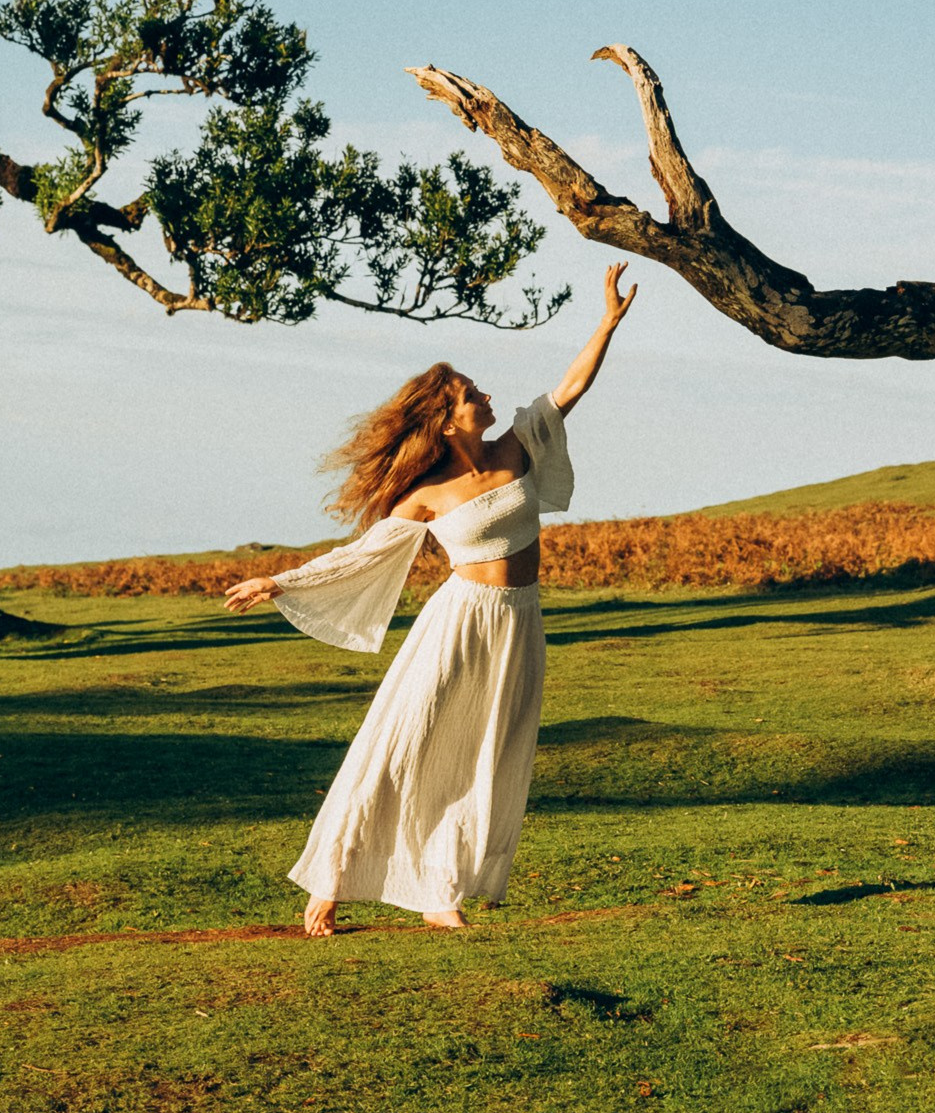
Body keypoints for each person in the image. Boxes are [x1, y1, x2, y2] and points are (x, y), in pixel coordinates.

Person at [225, 263, 637, 935]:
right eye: (472, 393)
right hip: (459, 623)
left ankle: (439, 889)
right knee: (403, 744)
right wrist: (281, 582)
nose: (485, 395)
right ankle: (331, 879)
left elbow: (568, 390)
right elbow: (361, 555)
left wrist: (607, 324)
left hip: (520, 622)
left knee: (485, 754)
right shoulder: (427, 495)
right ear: (447, 421)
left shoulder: (514, 451)